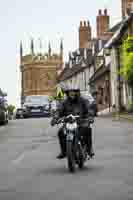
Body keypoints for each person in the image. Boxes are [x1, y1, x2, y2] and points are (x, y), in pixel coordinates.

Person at [51, 84, 95, 159]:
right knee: (61, 132)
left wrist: (90, 116)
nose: (72, 93)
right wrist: (55, 118)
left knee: (87, 130)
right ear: (67, 93)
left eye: (74, 91)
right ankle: (64, 151)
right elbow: (59, 111)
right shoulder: (64, 102)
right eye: (70, 92)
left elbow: (89, 109)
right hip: (68, 122)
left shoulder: (83, 101)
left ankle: (89, 149)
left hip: (80, 122)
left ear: (77, 92)